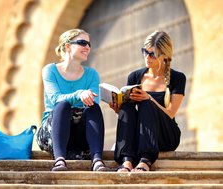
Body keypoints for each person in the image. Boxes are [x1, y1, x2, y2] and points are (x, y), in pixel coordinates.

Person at [110, 31, 186, 172]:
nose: (147, 57)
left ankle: (146, 159)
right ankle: (127, 160)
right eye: (145, 52)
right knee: (127, 106)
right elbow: (133, 115)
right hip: (140, 135)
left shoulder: (178, 78)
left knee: (146, 103)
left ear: (164, 56)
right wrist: (118, 109)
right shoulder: (134, 76)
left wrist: (149, 98)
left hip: (166, 135)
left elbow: (170, 113)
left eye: (153, 54)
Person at [36, 29, 109, 172]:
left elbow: (93, 103)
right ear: (68, 46)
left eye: (89, 44)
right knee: (62, 105)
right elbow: (55, 98)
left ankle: (97, 161)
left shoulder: (92, 75)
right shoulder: (50, 70)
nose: (87, 47)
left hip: (78, 136)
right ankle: (59, 160)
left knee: (93, 108)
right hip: (52, 133)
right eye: (82, 43)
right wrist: (79, 94)